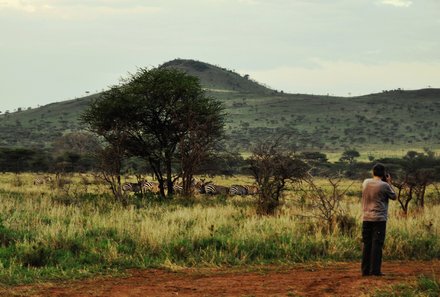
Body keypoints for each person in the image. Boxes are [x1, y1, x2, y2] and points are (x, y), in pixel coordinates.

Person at [361, 163, 396, 276]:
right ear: (384, 174)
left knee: (367, 244)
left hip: (366, 217)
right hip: (379, 219)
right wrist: (389, 182)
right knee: (377, 244)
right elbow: (394, 196)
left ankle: (365, 270)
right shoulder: (384, 186)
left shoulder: (365, 182)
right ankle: (375, 271)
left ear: (373, 172)